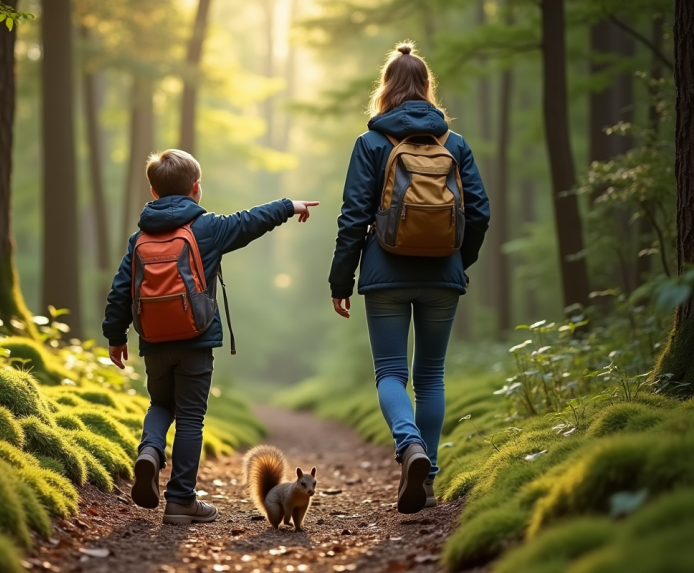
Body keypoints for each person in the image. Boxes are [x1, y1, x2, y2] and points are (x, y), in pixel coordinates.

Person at [103, 149, 319, 524]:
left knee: (160, 405)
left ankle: (149, 453)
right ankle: (180, 501)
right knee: (190, 418)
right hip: (196, 340)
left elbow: (122, 289)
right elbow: (250, 221)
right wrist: (290, 205)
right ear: (196, 188)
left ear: (153, 192)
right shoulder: (208, 228)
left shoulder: (140, 237)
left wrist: (115, 335)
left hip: (154, 341)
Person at [328, 42, 490, 514]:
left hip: (385, 275)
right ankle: (429, 476)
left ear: (385, 90)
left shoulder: (371, 143)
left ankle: (409, 447)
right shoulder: (453, 145)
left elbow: (353, 216)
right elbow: (478, 212)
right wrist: (461, 261)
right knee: (432, 375)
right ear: (426, 88)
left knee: (391, 373)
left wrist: (341, 281)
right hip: (444, 273)